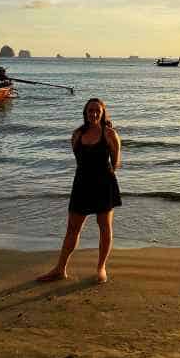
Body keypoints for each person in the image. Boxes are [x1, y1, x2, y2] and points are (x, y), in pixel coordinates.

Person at [37, 97, 122, 284]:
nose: (93, 114)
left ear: (102, 113)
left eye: (97, 111)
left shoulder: (110, 134)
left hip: (104, 185)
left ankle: (101, 268)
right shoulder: (77, 135)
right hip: (82, 185)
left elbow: (115, 163)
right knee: (72, 229)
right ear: (85, 113)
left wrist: (104, 177)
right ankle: (60, 269)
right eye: (90, 111)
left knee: (105, 228)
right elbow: (79, 159)